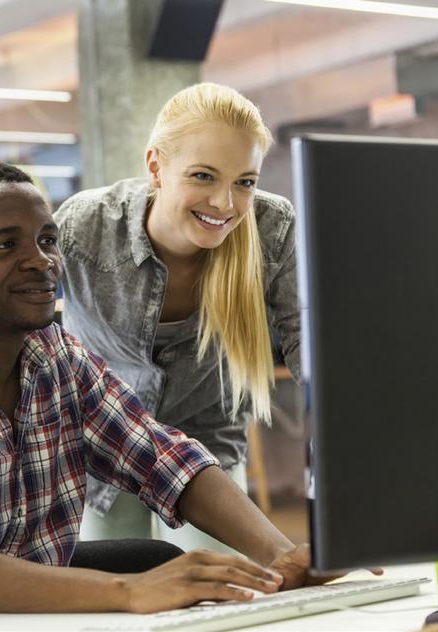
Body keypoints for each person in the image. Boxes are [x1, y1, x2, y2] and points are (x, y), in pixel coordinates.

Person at [0, 162, 331, 616]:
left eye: (46, 240)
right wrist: (128, 592)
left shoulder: (58, 357)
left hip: (40, 620)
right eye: (5, 246)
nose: (41, 261)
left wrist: (280, 557)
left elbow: (162, 459)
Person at [54, 83, 301, 551]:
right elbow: (10, 310)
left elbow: (307, 337)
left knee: (229, 603)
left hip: (207, 442)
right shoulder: (83, 228)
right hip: (104, 445)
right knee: (114, 605)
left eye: (244, 182)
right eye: (203, 176)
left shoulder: (271, 227)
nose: (225, 204)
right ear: (156, 167)